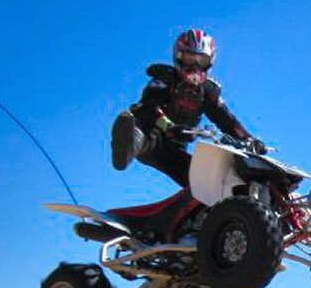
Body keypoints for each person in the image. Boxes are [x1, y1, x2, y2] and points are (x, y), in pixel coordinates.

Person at [110, 29, 265, 187]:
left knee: (203, 181)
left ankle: (218, 209)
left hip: (174, 149)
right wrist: (168, 126)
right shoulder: (166, 77)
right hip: (151, 135)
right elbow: (148, 106)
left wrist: (249, 139)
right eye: (191, 58)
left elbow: (227, 120)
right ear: (179, 57)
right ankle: (126, 144)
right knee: (138, 130)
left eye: (201, 60)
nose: (196, 66)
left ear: (210, 62)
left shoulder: (208, 90)